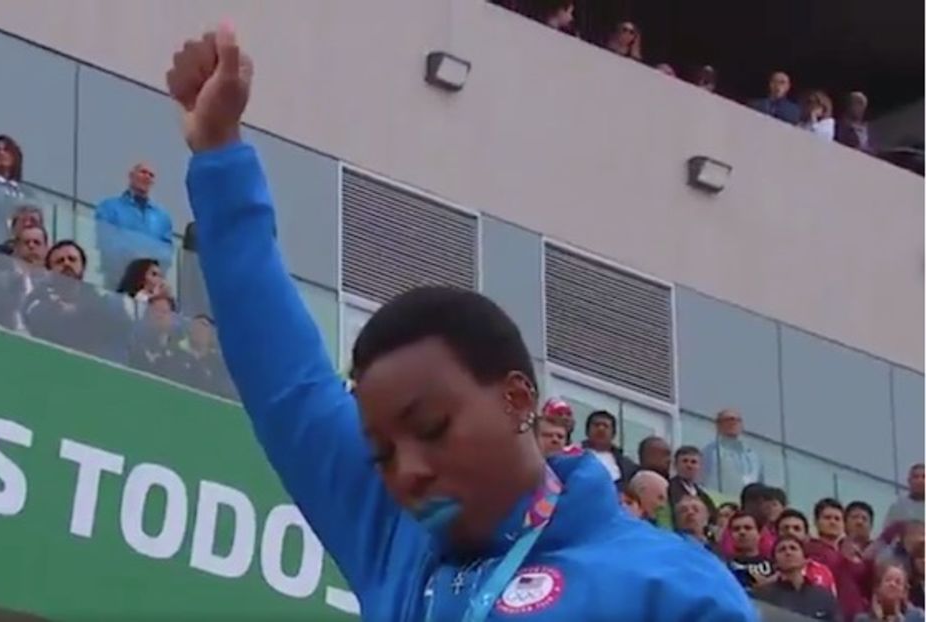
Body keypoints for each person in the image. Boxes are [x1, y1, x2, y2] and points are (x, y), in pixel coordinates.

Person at [168, 23, 757, 621]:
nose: (408, 473)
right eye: (381, 456)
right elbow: (286, 380)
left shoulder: (669, 586)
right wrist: (219, 152)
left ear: (517, 399)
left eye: (431, 427)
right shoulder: (392, 538)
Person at [94, 161, 174, 289]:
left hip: (149, 284)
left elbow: (166, 254)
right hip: (117, 279)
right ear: (131, 176)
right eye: (143, 172)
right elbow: (106, 242)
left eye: (151, 175)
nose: (147, 176)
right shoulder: (109, 207)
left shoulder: (162, 217)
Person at [756, 535, 842, 621]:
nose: (788, 552)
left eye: (793, 548)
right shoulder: (763, 597)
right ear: (775, 563)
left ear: (805, 560)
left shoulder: (823, 596)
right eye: (782, 549)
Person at [701, 409, 763, 496]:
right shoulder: (710, 452)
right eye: (729, 419)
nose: (733, 423)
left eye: (737, 420)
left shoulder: (752, 455)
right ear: (718, 425)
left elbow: (760, 482)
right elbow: (702, 481)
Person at [854, 564, 925, 622]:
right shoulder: (862, 619)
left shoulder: (917, 617)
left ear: (904, 592)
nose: (892, 584)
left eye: (898, 582)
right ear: (878, 588)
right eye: (888, 580)